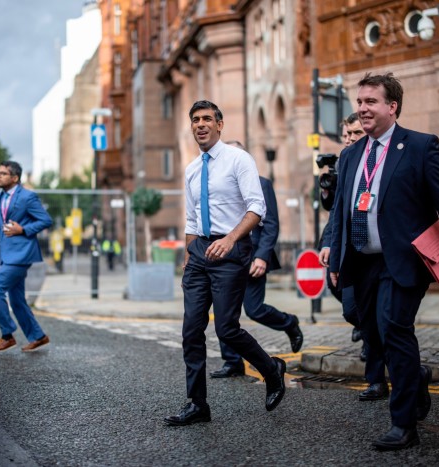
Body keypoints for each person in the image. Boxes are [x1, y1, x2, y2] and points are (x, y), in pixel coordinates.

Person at [323, 73, 439, 450]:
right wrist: (335, 254)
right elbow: (341, 209)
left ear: (392, 106)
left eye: (370, 101)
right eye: (359, 102)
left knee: (394, 329)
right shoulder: (351, 154)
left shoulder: (420, 147)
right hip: (361, 260)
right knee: (372, 333)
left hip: (401, 260)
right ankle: (415, 375)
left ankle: (403, 424)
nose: (362, 108)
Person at [164, 100, 286, 426]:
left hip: (231, 250)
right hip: (200, 252)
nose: (200, 124)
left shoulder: (238, 160)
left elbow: (256, 207)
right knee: (191, 330)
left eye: (207, 119)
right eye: (195, 120)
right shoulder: (191, 169)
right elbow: (191, 220)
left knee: (227, 329)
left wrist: (230, 239)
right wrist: (190, 258)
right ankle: (197, 404)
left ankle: (272, 370)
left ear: (219, 125)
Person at [209, 141, 303, 379]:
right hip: (226, 258)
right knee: (224, 312)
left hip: (252, 258)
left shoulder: (261, 184)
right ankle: (232, 362)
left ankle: (289, 323)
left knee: (254, 309)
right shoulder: (217, 185)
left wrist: (261, 257)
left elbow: (270, 224)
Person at [320, 113, 389, 403]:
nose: (349, 140)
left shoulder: (385, 157)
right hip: (355, 253)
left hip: (388, 253)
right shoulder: (345, 162)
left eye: (355, 134)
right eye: (347, 134)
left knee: (388, 321)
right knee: (355, 313)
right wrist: (329, 246)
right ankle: (378, 371)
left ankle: (386, 377)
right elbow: (334, 211)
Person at [0, 160, 53, 353]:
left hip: (21, 254)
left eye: (3, 173)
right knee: (16, 300)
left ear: (15, 178)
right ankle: (38, 336)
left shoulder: (28, 197)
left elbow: (45, 220)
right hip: (7, 254)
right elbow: (1, 225)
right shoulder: (0, 197)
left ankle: (7, 335)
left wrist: (23, 229)